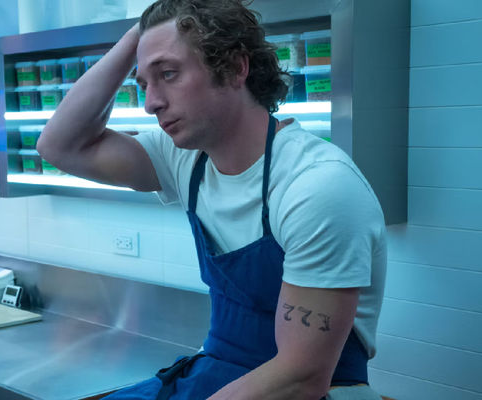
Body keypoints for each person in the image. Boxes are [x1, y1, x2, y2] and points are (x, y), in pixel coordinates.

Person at [37, 0, 386, 399]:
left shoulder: (317, 187)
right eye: (144, 84)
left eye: (168, 74)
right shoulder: (185, 159)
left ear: (236, 68)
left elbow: (301, 376)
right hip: (218, 373)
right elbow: (59, 145)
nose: (151, 102)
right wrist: (143, 30)